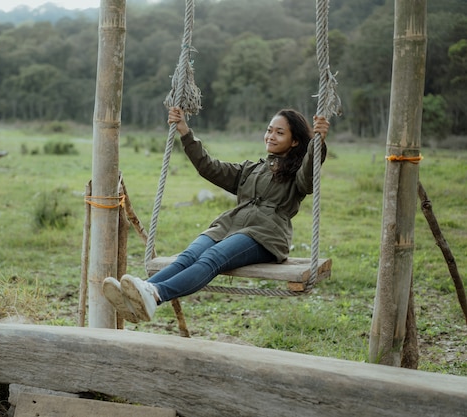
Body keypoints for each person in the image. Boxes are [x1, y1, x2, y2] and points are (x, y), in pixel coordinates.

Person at [103, 106, 330, 323]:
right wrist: (184, 131)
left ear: (295, 141)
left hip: (265, 235)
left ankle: (155, 293)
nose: (271, 136)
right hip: (228, 227)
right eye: (269, 130)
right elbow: (208, 167)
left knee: (212, 259)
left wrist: (317, 143)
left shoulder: (298, 176)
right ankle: (136, 296)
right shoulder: (250, 170)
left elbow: (309, 174)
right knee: (187, 257)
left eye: (279, 133)